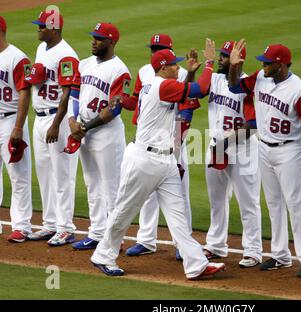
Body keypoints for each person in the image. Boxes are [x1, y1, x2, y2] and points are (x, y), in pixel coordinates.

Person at [91, 40, 226, 279]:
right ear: (163, 68)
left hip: (165, 161)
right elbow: (199, 90)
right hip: (144, 159)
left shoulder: (159, 84)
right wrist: (209, 64)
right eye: (174, 65)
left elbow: (182, 93)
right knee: (124, 210)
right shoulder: (161, 87)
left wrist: (191, 72)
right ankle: (103, 255)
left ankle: (196, 264)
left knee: (177, 216)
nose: (178, 68)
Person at [229, 41, 301, 278]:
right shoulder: (261, 76)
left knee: (295, 204)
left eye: (267, 61)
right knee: (273, 202)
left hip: (290, 150)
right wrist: (233, 67)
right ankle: (281, 255)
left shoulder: (300, 90)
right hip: (264, 147)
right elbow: (234, 87)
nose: (263, 64)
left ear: (280, 65)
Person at [124, 34, 198, 260]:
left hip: (172, 136)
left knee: (179, 192)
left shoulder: (181, 72)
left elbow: (188, 105)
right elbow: (137, 101)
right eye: (153, 48)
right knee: (148, 194)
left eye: (160, 48)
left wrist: (180, 136)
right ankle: (146, 240)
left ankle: (182, 243)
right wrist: (120, 100)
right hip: (149, 138)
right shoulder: (146, 71)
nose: (155, 52)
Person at [66, 22, 131, 250]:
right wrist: (73, 121)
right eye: (93, 37)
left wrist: (84, 127)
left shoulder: (120, 70)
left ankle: (115, 239)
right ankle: (96, 232)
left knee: (112, 188)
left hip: (106, 135)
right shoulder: (84, 64)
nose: (93, 41)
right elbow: (75, 95)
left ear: (111, 42)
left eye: (99, 38)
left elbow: (114, 110)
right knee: (92, 183)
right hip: (84, 131)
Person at [202, 41, 263, 268]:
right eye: (222, 54)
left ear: (237, 60)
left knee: (248, 202)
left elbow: (252, 126)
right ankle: (216, 245)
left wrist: (226, 143)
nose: (221, 58)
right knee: (217, 200)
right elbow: (196, 90)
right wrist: (207, 62)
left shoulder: (247, 86)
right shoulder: (216, 79)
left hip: (243, 150)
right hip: (215, 147)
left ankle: (253, 250)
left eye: (226, 56)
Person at [26, 9, 79, 246]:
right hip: (39, 118)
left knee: (62, 175)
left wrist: (57, 124)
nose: (38, 29)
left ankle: (65, 227)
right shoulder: (41, 49)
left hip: (56, 120)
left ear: (55, 28)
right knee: (45, 173)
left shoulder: (66, 55)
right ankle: (49, 224)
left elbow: (68, 92)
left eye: (42, 26)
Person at [0, 16, 33, 242]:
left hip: (11, 120)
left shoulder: (17, 58)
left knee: (18, 174)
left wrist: (19, 126)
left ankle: (21, 226)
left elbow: (24, 92)